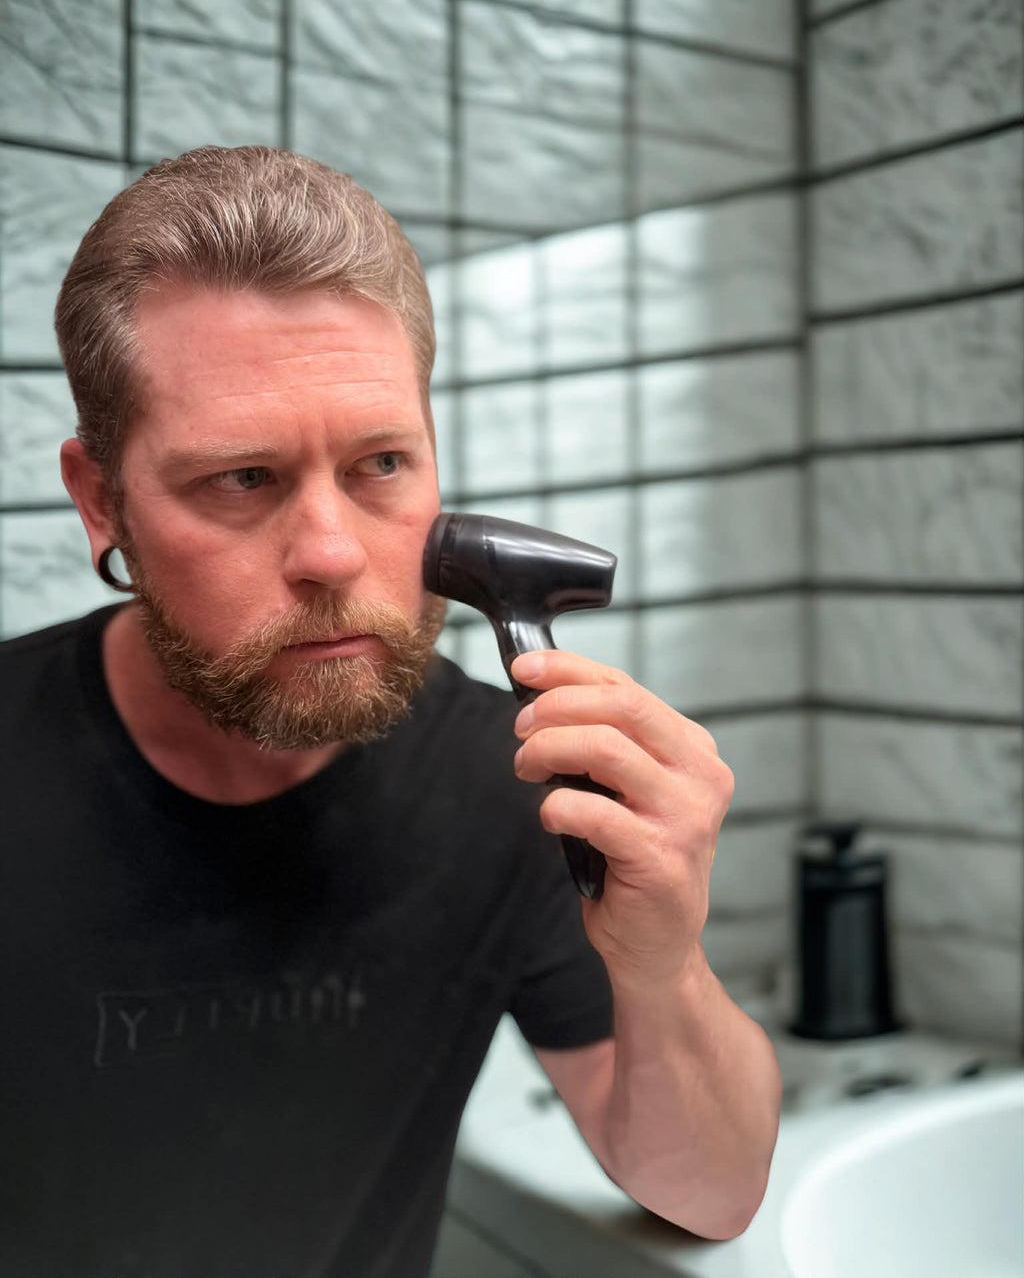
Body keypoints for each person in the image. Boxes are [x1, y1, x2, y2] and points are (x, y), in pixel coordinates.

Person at [0, 146, 781, 1278]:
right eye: (242, 478)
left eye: (379, 464)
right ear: (101, 500)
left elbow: (710, 1193)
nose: (331, 553)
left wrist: (664, 961)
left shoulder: (511, 781)